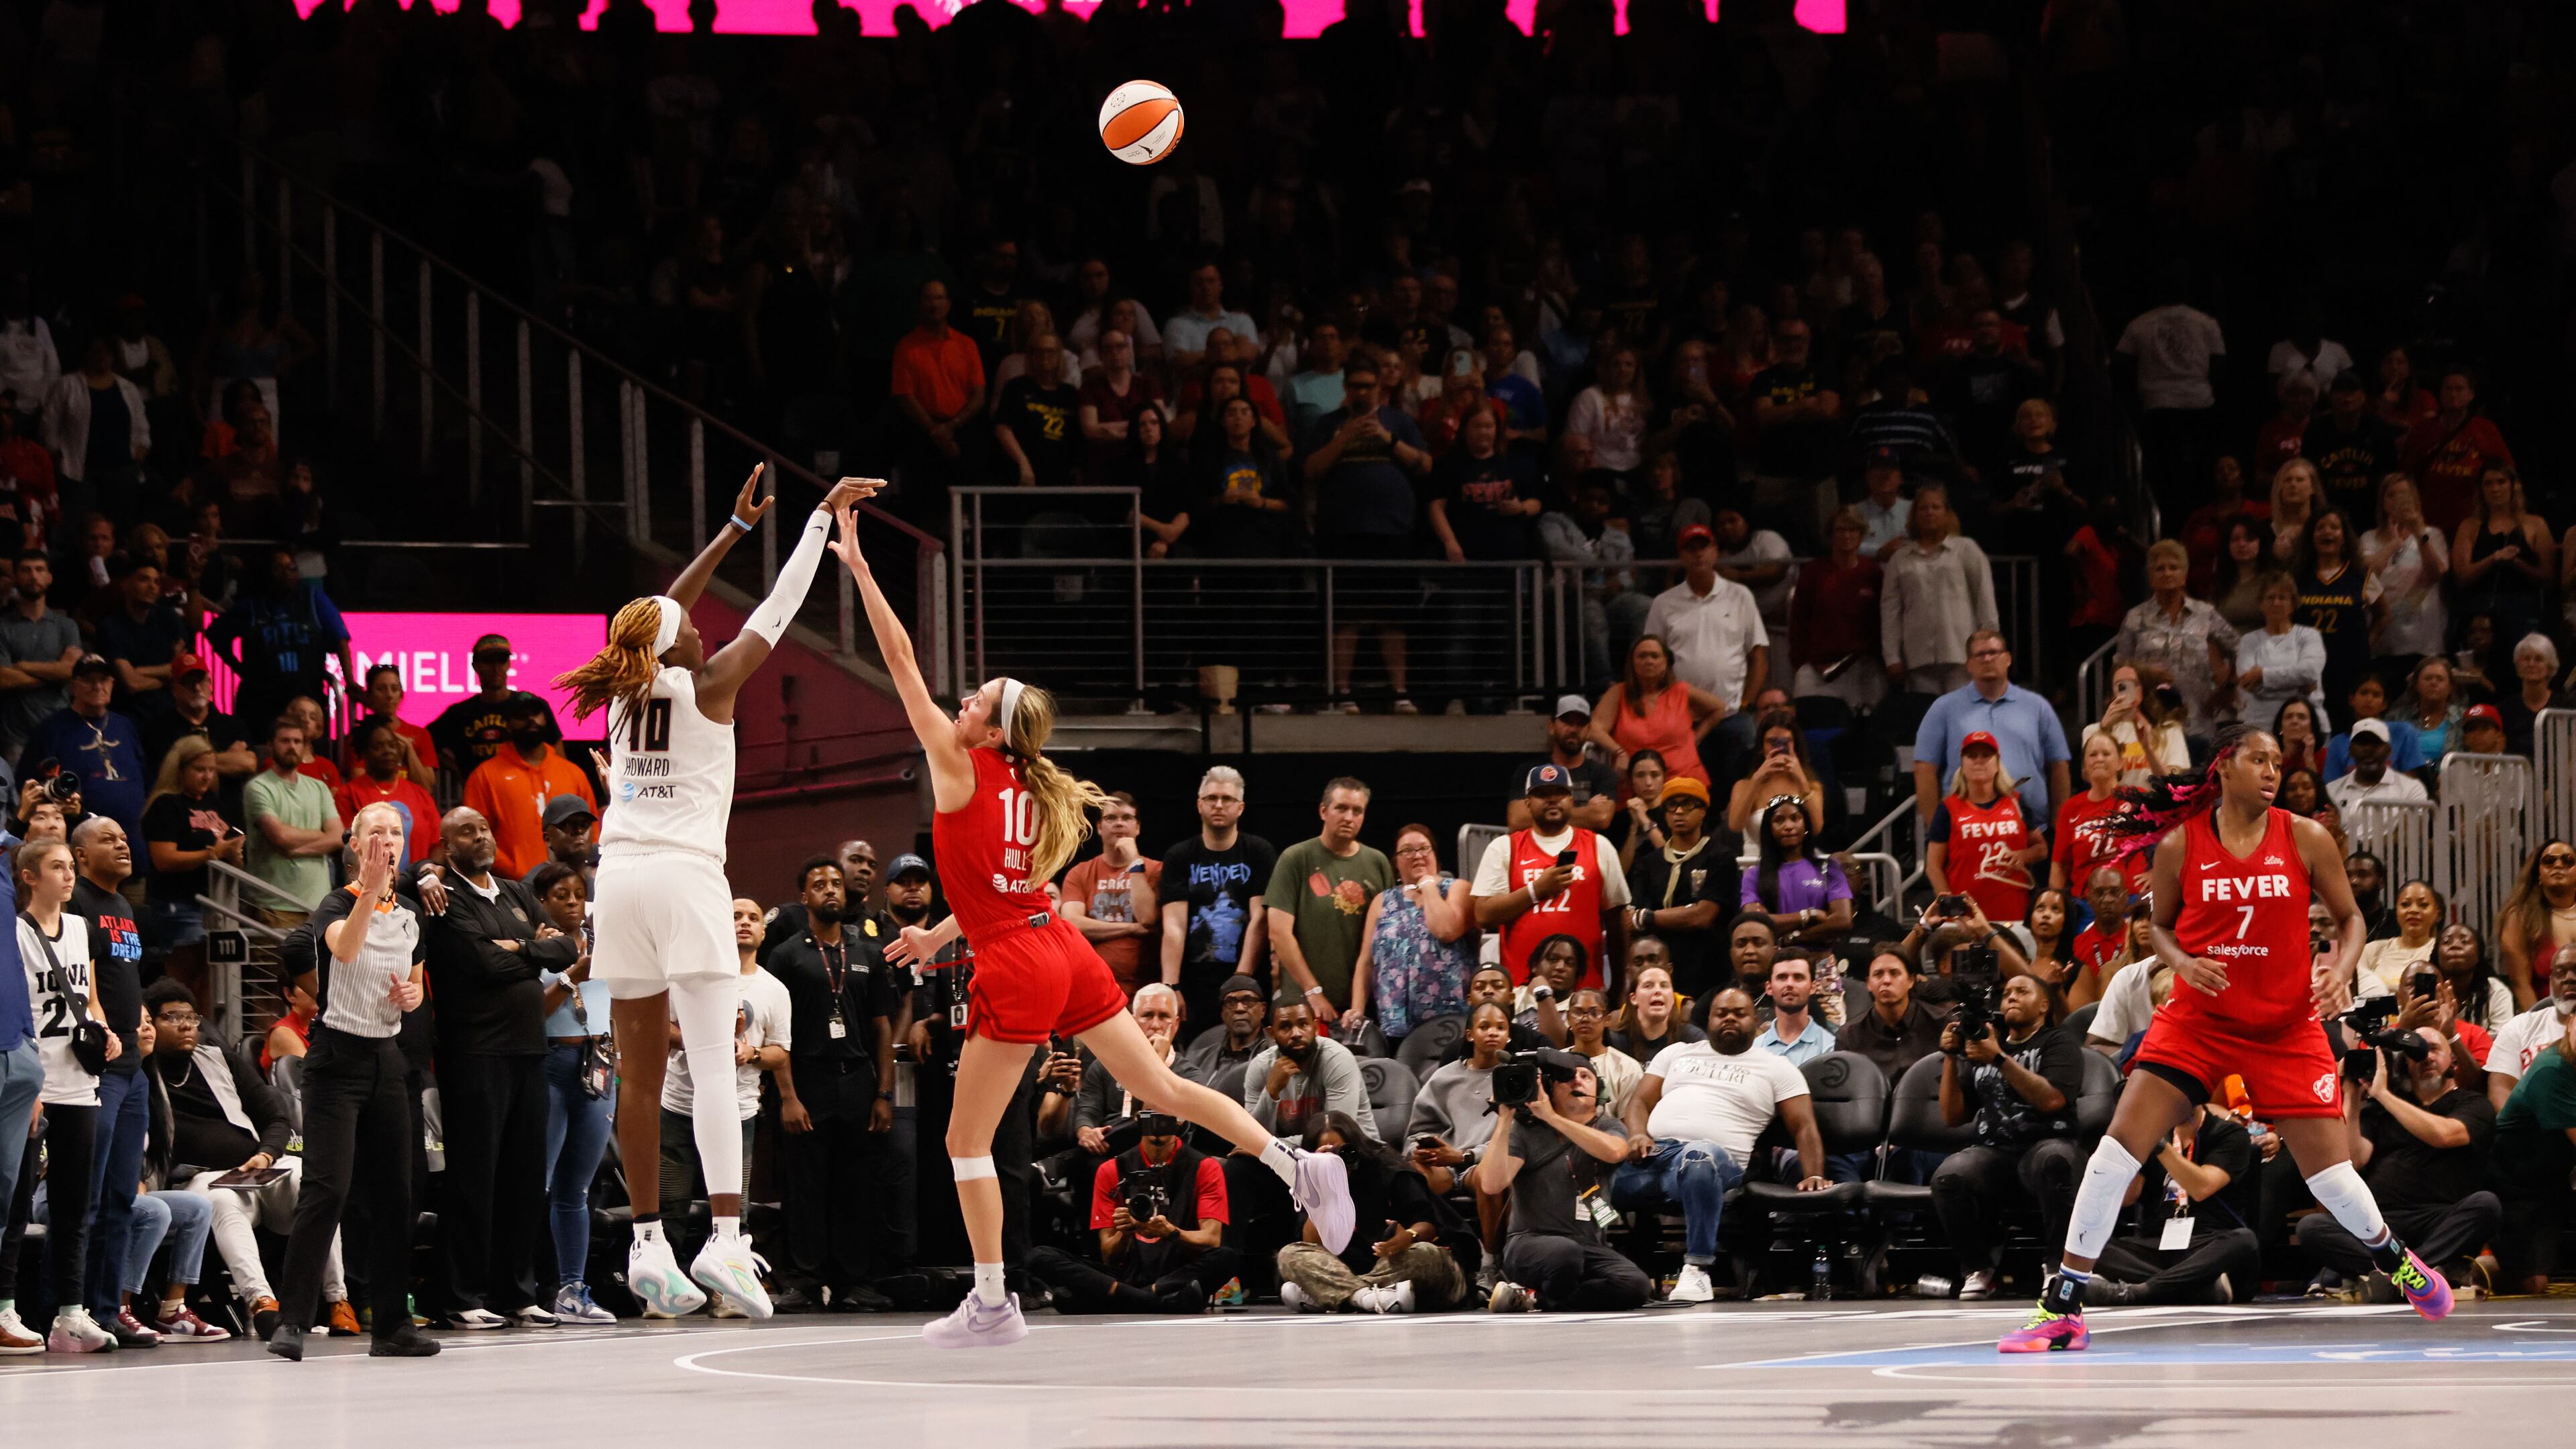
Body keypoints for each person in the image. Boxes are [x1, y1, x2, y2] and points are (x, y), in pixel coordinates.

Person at [831, 482, 1354, 1350]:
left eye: (976, 702)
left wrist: (859, 568)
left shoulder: (962, 771)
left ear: (993, 732)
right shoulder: (1033, 791)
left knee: (965, 1142)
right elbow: (1016, 895)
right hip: (1060, 946)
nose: (959, 704)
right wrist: (938, 932)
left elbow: (900, 665)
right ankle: (1294, 1164)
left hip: (1020, 962)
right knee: (1165, 1089)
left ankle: (994, 1302)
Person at [2000, 724, 2455, 1353]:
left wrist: (2342, 970)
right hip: (2199, 1020)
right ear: (2224, 768)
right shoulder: (2181, 845)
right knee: (2115, 1150)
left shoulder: (2306, 836)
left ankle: (2395, 1260)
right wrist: (2182, 964)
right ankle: (2065, 1305)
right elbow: (2159, 927)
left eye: (2277, 761)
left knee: (2331, 1174)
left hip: (2285, 1025)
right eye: (2258, 759)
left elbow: (2352, 917)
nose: (2272, 770)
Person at [548, 467, 862, 1322]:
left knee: (641, 1079)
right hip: (686, 881)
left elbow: (651, 612)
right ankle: (725, 1239)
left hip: (618, 886)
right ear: (679, 644)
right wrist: (814, 525)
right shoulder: (709, 684)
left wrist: (728, 530)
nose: (700, 621)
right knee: (716, 1065)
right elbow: (780, 610)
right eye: (691, 623)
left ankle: (649, 1245)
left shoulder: (618, 694)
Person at [264, 808, 437, 1361]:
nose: (388, 842)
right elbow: (344, 950)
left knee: (397, 1197)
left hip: (387, 1059)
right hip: (336, 1059)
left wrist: (413, 997)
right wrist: (371, 889)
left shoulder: (410, 912)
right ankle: (292, 1321)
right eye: (377, 834)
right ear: (356, 846)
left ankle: (391, 1325)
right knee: (328, 1189)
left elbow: (413, 982)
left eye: (396, 834)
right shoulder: (336, 905)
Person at [412, 806, 578, 1330]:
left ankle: (517, 1292)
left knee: (525, 1179)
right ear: (446, 844)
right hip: (475, 1053)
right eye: (467, 830)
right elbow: (481, 964)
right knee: (474, 1179)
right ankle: (461, 1296)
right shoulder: (443, 898)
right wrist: (535, 951)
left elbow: (567, 948)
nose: (480, 835)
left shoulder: (516, 892)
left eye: (484, 827)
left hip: (530, 1052)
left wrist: (523, 948)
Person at [138, 978, 350, 1339]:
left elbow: (276, 1117)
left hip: (256, 1170)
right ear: (149, 1024)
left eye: (192, 1016)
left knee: (312, 1182)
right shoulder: (140, 1073)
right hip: (196, 1178)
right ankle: (262, 1302)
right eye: (172, 1017)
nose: (187, 1025)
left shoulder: (221, 1060)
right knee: (218, 1200)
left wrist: (266, 1154)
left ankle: (338, 1300)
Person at [1613, 987, 1829, 1303]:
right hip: (1656, 1158)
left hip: (1716, 1163)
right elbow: (1639, 1103)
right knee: (1592, 1182)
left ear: (1756, 1022)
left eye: (1739, 1013)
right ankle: (1594, 1256)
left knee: (1700, 1157)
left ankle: (1697, 1270)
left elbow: (1804, 1126)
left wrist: (1813, 1173)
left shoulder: (1777, 1068)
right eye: (1721, 1013)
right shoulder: (1676, 1054)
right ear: (1709, 1021)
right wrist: (1635, 1134)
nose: (1729, 1018)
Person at [0, 837, 117, 1352]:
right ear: (29, 877)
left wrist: (104, 1030)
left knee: (76, 1204)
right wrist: (29, 1088)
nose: (69, 876)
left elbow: (89, 997)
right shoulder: (16, 934)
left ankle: (70, 1314)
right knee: (16, 1203)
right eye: (57, 867)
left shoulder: (81, 928)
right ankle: (5, 1307)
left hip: (80, 1082)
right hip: (36, 1084)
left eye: (72, 866)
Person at [655, 896, 794, 1316]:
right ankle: (668, 1292)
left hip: (740, 1111)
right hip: (679, 1104)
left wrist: (748, 1053)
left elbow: (780, 1052)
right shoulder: (689, 979)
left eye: (753, 918)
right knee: (671, 1204)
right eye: (735, 916)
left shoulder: (774, 989)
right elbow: (662, 1026)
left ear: (764, 932)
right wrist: (705, 1043)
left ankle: (729, 1292)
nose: (745, 923)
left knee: (737, 1207)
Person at [2296, 1026, 2500, 1293]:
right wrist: (2352, 1097)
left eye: (2434, 1049)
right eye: (2417, 1053)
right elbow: (2353, 1160)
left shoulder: (2473, 1104)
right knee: (2312, 1227)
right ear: (2405, 1066)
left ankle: (2396, 1277)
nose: (2426, 1057)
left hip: (2438, 1220)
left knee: (2486, 1206)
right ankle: (2413, 1277)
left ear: (2454, 1062)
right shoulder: (2380, 1110)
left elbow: (2446, 1135)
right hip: (2381, 1222)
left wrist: (2382, 1093)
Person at [1933, 971, 2086, 1300]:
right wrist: (1950, 1057)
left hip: (2048, 1143)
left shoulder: (2059, 1042)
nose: (2012, 997)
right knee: (1949, 1175)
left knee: (2054, 1161)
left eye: (2022, 991)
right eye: (2007, 994)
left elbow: (2052, 1100)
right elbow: (1952, 1116)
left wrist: (1999, 1059)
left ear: (2044, 1005)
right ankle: (1978, 1269)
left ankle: (2057, 1266)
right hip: (1997, 1151)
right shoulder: (1988, 1044)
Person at [1480, 1049, 1654, 1313]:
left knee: (1636, 1285)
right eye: (1568, 1078)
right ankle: (1542, 1293)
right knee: (1565, 1253)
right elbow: (1492, 1185)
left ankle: (1537, 1301)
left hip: (1586, 1246)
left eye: (1586, 1076)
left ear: (1599, 1089)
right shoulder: (1527, 1131)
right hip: (1529, 1244)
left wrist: (1552, 1117)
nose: (1578, 1081)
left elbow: (1615, 1151)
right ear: (1550, 1089)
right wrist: (1505, 1118)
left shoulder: (1607, 1126)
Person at [1030, 1108, 1240, 1315]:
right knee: (1038, 1256)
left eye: (1166, 1116)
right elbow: (1109, 1256)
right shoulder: (1111, 1169)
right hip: (1129, 1271)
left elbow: (1211, 1240)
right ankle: (1161, 1301)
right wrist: (1126, 1231)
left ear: (1179, 1120)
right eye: (1152, 1116)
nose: (1158, 1125)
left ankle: (1121, 1297)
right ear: (1139, 1119)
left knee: (1226, 1257)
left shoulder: (1205, 1167)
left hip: (1179, 1268)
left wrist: (1172, 1232)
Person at [527, 863, 614, 1324]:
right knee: (536, 1181)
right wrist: (569, 978)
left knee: (575, 1188)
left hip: (596, 1065)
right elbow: (531, 1013)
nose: (572, 902)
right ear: (542, 901)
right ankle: (520, 1289)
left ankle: (572, 1288)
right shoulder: (535, 947)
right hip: (551, 1063)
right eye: (561, 894)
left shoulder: (602, 946)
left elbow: (608, 1010)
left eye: (578, 894)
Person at [2077, 1095, 2263, 1305]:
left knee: (2244, 1241)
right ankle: (2198, 1290)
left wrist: (2159, 1146)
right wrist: (2121, 1143)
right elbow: (2127, 1197)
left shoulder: (2229, 1134)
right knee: (2093, 1245)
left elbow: (2202, 1188)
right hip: (2159, 1244)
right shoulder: (2148, 1134)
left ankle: (2137, 1293)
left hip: (2207, 1245)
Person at [1275, 1112, 1464, 1315]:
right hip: (1356, 1267)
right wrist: (1325, 1188)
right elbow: (1313, 1244)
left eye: (1343, 1151)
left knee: (1425, 1254)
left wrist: (1409, 1237)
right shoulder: (1311, 1179)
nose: (1338, 1158)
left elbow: (1428, 1224)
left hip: (1399, 1263)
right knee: (1289, 1255)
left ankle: (1331, 1295)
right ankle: (1368, 1297)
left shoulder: (1389, 1169)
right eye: (1329, 1154)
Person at [1472, 764, 1631, 990]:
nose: (1552, 800)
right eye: (1542, 795)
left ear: (1572, 800)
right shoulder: (1505, 847)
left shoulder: (1599, 846)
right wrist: (1536, 890)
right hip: (1521, 990)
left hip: (1585, 993)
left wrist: (1619, 985)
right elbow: (1483, 914)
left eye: (1560, 793)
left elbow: (1617, 923)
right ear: (1527, 803)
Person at [1265, 779, 1395, 1025]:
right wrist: (1313, 992)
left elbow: (1385, 936)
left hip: (1362, 1006)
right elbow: (1278, 932)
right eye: (1341, 808)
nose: (1349, 817)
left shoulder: (1377, 862)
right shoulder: (1296, 858)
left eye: (1357, 811)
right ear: (1323, 811)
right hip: (1304, 1005)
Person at [1640, 525, 1767, 774]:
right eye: (1691, 549)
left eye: (1704, 547)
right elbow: (1651, 660)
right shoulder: (1664, 603)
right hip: (1683, 718)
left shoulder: (1740, 596)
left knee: (1740, 788)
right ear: (1681, 556)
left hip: (1734, 714)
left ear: (1715, 552)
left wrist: (1747, 705)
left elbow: (1758, 656)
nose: (1698, 555)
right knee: (1687, 790)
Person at [1913, 630, 2071, 830]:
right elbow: (1924, 769)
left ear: (2008, 659)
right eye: (1980, 655)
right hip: (1965, 833)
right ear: (1969, 664)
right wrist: (1936, 829)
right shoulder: (1943, 708)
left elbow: (2059, 766)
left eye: (1994, 652)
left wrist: (2060, 824)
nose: (1987, 659)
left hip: (2033, 831)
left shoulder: (2038, 706)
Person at [1159, 765, 1275, 1034]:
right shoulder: (1180, 856)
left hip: (1248, 976)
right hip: (1193, 980)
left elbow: (1261, 918)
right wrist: (1171, 986)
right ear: (1200, 805)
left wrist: (1241, 979)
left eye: (1228, 799)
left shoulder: (1259, 851)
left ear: (1241, 807)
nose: (1219, 805)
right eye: (1211, 798)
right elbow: (1174, 926)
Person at [199, 549, 354, 742]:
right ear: (267, 574)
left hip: (306, 699)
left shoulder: (313, 600)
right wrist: (238, 668)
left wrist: (351, 681)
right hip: (261, 704)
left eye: (291, 568)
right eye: (279, 568)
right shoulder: (251, 608)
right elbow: (215, 634)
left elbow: (341, 641)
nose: (286, 573)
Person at [1348, 822, 1473, 1042]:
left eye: (1424, 848)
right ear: (1396, 862)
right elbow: (1366, 962)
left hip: (1448, 1021)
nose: (1417, 855)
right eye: (1407, 850)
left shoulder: (1457, 888)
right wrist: (1357, 1010)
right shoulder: (1382, 901)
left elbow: (1446, 930)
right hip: (1394, 1022)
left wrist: (1428, 885)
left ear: (1435, 854)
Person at [460, 693, 597, 881]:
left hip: (571, 886)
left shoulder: (573, 773)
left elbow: (593, 831)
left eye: (536, 713)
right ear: (508, 724)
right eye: (522, 716)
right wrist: (519, 876)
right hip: (512, 886)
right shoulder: (484, 776)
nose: (531, 720)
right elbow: (477, 837)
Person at [1880, 487, 2000, 695]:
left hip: (1962, 655)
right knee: (1926, 721)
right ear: (1915, 515)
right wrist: (1892, 657)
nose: (1929, 512)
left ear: (1947, 513)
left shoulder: (1966, 549)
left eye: (1936, 507)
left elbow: (1985, 600)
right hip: (1917, 659)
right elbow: (1890, 612)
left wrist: (1988, 650)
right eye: (1923, 508)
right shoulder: (1900, 559)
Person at [19, 655, 146, 849]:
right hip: (78, 850)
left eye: (103, 680)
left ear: (112, 683)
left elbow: (144, 777)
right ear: (73, 685)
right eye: (88, 680)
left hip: (131, 846)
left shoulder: (125, 726)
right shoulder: (52, 729)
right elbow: (30, 786)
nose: (97, 686)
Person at [1926, 732, 2045, 925]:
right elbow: (1933, 866)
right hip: (1966, 919)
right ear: (1962, 765)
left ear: (1997, 763)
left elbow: (2041, 848)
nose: (1979, 761)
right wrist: (1952, 910)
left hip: (2015, 913)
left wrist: (2024, 855)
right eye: (1972, 756)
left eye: (1986, 755)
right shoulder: (1948, 808)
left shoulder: (2016, 803)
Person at [1623, 777, 1730, 992]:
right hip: (1658, 973)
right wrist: (1684, 912)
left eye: (1688, 804)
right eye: (1672, 805)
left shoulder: (1720, 857)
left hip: (1708, 970)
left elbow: (1703, 916)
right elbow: (1631, 922)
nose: (1679, 811)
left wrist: (1649, 917)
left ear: (1703, 811)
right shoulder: (1648, 862)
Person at [1587, 634, 1721, 793]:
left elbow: (1719, 708)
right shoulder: (1618, 693)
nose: (1649, 661)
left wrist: (1695, 738)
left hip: (1682, 779)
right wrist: (1619, 752)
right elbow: (1594, 729)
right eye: (1642, 656)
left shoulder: (1681, 690)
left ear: (1665, 662)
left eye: (1655, 656)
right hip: (1636, 783)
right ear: (1632, 662)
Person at [242, 715, 341, 928]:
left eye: (297, 742)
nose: (292, 747)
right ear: (270, 746)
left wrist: (296, 850)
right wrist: (318, 834)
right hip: (273, 905)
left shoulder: (319, 788)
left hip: (318, 905)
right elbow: (280, 836)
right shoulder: (259, 787)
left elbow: (337, 838)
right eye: (285, 741)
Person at [1059, 792, 1162, 995]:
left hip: (1145, 989)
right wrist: (1131, 928)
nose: (1119, 824)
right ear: (1099, 827)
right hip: (1092, 986)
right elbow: (1072, 923)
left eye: (1126, 818)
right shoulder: (1080, 873)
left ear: (1138, 827)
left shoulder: (1156, 870)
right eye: (1111, 818)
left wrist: (1134, 860)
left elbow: (1148, 918)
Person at [1790, 506, 1887, 712]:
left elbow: (1883, 620)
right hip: (1819, 668)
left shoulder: (1872, 572)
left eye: (1853, 530)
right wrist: (1801, 663)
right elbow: (1798, 620)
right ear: (1831, 534)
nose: (1847, 535)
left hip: (1864, 669)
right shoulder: (1813, 572)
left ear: (1861, 535)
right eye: (1841, 530)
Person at [429, 633, 557, 775]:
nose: (496, 667)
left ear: (509, 664)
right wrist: (456, 769)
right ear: (475, 666)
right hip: (479, 793)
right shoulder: (460, 713)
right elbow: (424, 743)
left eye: (501, 660)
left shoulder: (533, 707)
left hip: (526, 792)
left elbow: (560, 760)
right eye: (488, 661)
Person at [1740, 794, 1852, 949]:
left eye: (1795, 818)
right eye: (1779, 820)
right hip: (1776, 964)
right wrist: (1808, 915)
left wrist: (1793, 937)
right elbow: (1755, 922)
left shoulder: (1828, 868)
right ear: (1769, 829)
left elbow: (1842, 921)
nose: (1788, 826)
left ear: (1805, 825)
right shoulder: (1754, 875)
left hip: (1820, 962)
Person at [2236, 574, 2328, 743]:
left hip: (2307, 728)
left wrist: (2263, 676)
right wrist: (2299, 686)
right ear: (2260, 604)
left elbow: (2310, 671)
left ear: (2293, 604)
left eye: (2282, 598)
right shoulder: (2249, 641)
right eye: (2270, 598)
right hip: (2260, 728)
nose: (2276, 603)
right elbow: (2249, 685)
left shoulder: (2309, 636)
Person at [334, 718, 439, 865]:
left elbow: (438, 846)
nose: (388, 751)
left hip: (419, 884)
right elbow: (351, 848)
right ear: (364, 753)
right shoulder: (348, 794)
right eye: (378, 746)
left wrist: (429, 874)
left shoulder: (421, 795)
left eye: (392, 745)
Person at [1839, 945, 1948, 1085]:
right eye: (1878, 974)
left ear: (1911, 981)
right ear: (1868, 984)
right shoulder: (1849, 1035)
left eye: (1894, 973)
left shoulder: (1941, 1023)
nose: (1886, 981)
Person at [1509, 696, 1621, 834]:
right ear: (1551, 726)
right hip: (1538, 852)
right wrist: (1586, 812)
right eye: (1567, 722)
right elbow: (1517, 820)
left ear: (1588, 731)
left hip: (1586, 853)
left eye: (1580, 724)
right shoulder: (1530, 771)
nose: (1574, 729)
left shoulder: (1603, 774)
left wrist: (1542, 813)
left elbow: (1601, 818)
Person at [2495, 840, 2576, 1012]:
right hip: (2548, 1019)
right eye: (2549, 861)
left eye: (2568, 860)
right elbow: (2521, 985)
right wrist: (2540, 1026)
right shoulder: (2521, 918)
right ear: (2538, 874)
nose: (2558, 865)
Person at [1727, 708, 1826, 837]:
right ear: (1762, 747)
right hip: (1757, 856)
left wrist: (1801, 779)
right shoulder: (1743, 786)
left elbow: (1816, 829)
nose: (1778, 748)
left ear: (1795, 745)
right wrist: (1757, 780)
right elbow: (1735, 826)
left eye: (1785, 742)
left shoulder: (1812, 786)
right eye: (1772, 742)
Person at [2325, 718, 2428, 813]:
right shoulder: (2331, 791)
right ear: (2350, 751)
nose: (2368, 749)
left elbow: (2412, 831)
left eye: (2376, 743)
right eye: (2362, 743)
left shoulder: (2411, 789)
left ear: (2389, 751)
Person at [1753, 955, 1837, 1064]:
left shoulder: (1830, 1048)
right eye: (1782, 977)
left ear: (1813, 987)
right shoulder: (1754, 1049)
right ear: (1769, 988)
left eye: (1798, 977)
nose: (1790, 984)